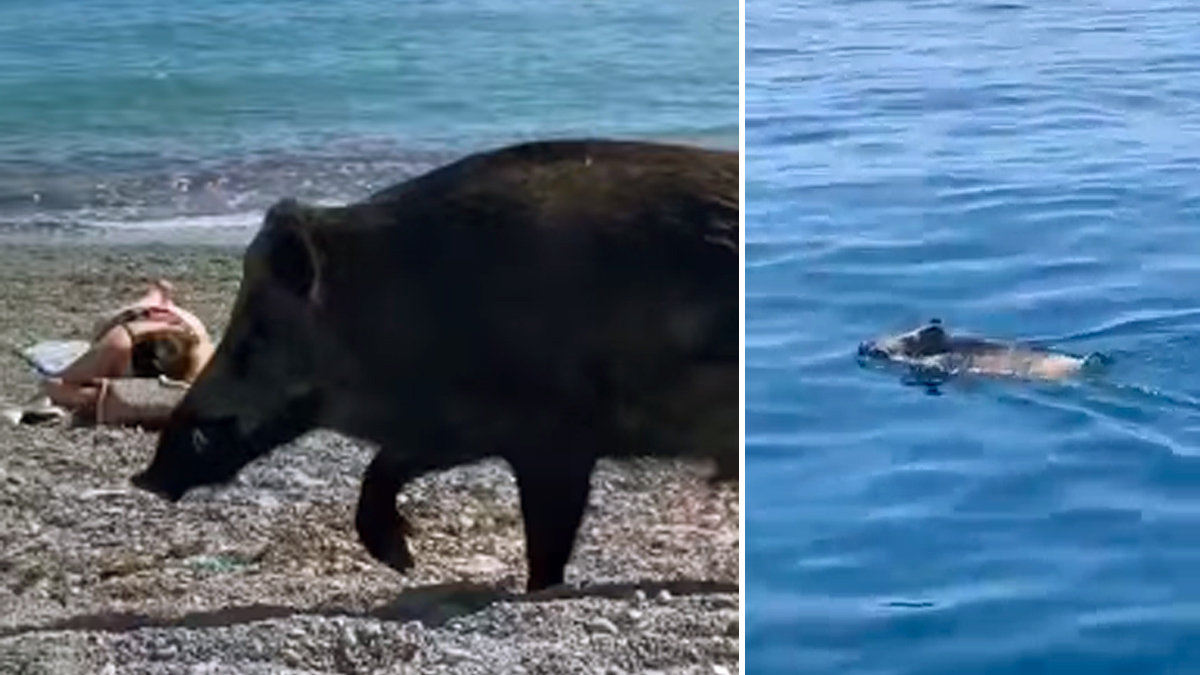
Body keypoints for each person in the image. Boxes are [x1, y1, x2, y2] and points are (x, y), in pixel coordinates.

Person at [38, 279, 215, 423]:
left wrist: (98, 398)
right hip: (134, 317)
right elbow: (55, 384)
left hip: (185, 323)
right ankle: (157, 294)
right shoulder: (118, 345)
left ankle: (159, 295)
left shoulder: (200, 353)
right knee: (147, 304)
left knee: (159, 303)